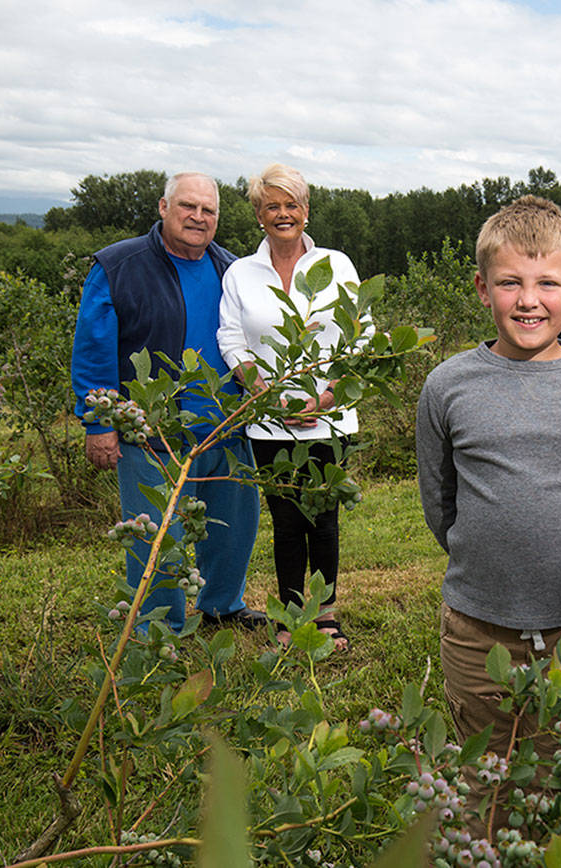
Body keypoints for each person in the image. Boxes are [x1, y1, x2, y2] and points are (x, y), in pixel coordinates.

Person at [416, 195, 561, 823]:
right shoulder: (449, 384)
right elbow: (440, 501)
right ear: (482, 289)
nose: (528, 299)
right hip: (476, 625)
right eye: (510, 282)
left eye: (547, 282)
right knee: (484, 775)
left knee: (555, 774)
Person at [71, 172, 264, 633]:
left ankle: (223, 605)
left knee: (231, 526)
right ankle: (159, 628)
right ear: (163, 207)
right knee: (156, 536)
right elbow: (94, 347)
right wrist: (99, 424)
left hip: (225, 427)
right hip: (153, 433)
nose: (198, 218)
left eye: (209, 210)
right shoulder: (119, 265)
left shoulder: (230, 268)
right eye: (188, 207)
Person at [217, 163, 363, 651]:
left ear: (306, 210)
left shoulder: (337, 265)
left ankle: (324, 617)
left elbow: (358, 335)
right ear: (258, 215)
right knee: (285, 521)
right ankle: (286, 619)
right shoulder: (241, 273)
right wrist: (264, 394)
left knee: (322, 517)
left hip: (330, 416)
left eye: (292, 204)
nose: (283, 214)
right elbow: (231, 338)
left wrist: (326, 396)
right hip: (268, 420)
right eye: (272, 206)